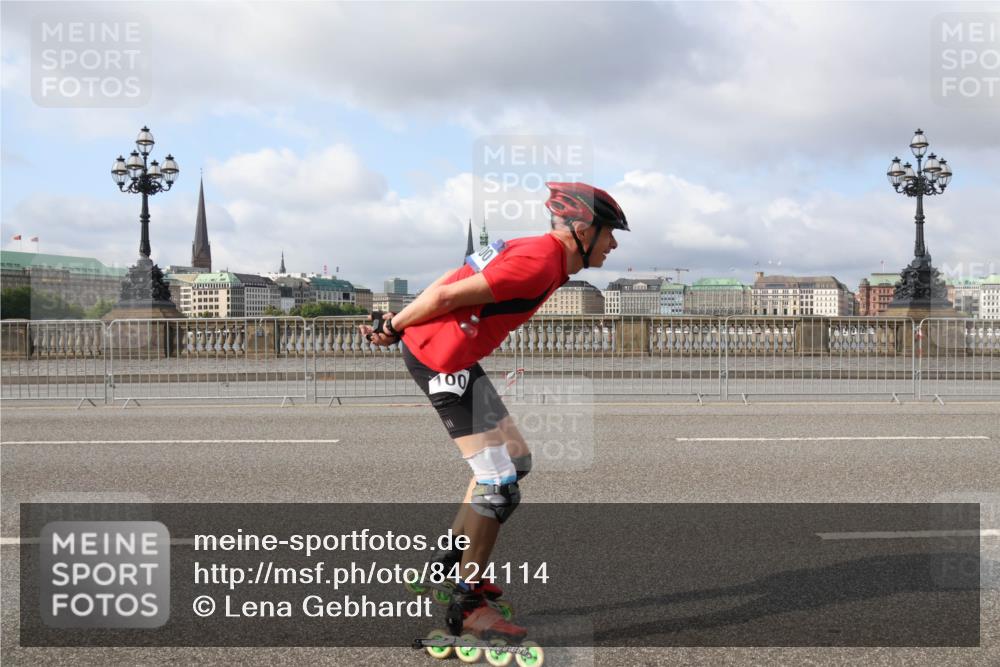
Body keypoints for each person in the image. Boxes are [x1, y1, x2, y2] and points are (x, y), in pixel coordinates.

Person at [360, 181, 629, 641]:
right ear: (583, 229)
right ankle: (468, 605)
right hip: (442, 360)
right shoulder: (537, 262)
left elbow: (453, 277)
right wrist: (394, 324)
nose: (615, 243)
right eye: (610, 233)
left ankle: (446, 560)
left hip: (454, 353)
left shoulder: (540, 252)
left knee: (516, 461)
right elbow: (447, 296)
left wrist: (396, 325)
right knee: (499, 486)